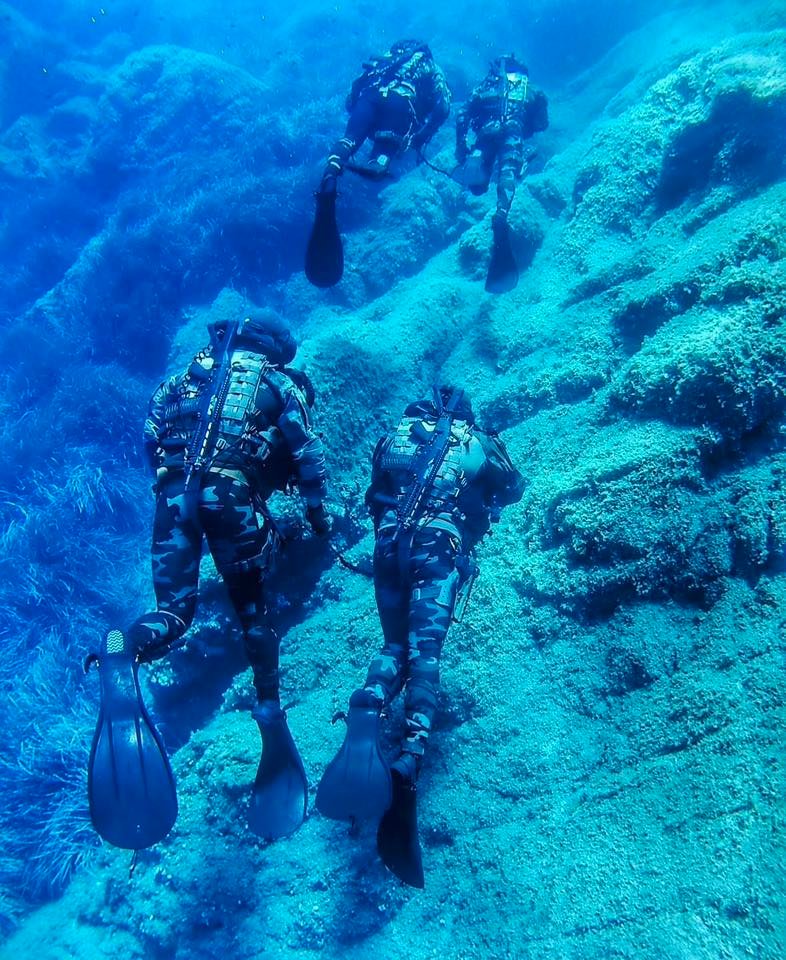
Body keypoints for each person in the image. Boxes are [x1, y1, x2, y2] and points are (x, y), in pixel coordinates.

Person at [87, 312, 330, 850]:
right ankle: (269, 711)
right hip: (231, 497)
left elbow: (152, 441)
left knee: (173, 612)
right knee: (252, 614)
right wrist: (318, 521)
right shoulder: (277, 383)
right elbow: (307, 455)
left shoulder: (176, 382)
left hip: (172, 498)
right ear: (270, 347)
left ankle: (122, 651)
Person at [316, 386, 524, 887]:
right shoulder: (475, 440)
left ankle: (368, 705)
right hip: (438, 547)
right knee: (424, 653)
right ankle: (410, 757)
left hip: (389, 547)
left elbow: (375, 497)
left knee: (394, 648)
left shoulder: (394, 437)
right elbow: (514, 487)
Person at [305, 39, 451, 288]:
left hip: (370, 98)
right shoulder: (431, 67)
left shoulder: (385, 61)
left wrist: (364, 111)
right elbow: (443, 106)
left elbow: (351, 97)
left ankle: (331, 174)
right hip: (401, 105)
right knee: (381, 156)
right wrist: (420, 137)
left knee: (348, 141)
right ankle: (379, 161)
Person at [455, 54, 548, 293]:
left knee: (476, 183)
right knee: (508, 171)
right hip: (513, 131)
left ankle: (477, 176)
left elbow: (462, 115)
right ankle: (501, 215)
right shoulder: (532, 90)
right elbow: (541, 124)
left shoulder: (486, 86)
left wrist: (461, 148)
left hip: (486, 132)